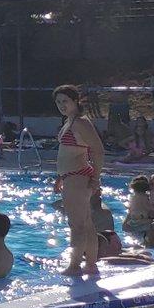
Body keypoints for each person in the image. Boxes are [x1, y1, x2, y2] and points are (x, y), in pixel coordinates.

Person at [51, 86, 107, 282]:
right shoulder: (71, 121)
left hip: (78, 176)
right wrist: (60, 176)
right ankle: (91, 264)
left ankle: (75, 265)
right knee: (86, 223)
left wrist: (96, 178)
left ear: (75, 101)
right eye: (58, 102)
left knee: (77, 224)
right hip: (72, 176)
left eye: (65, 101)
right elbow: (69, 152)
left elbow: (98, 150)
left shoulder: (81, 123)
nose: (61, 105)